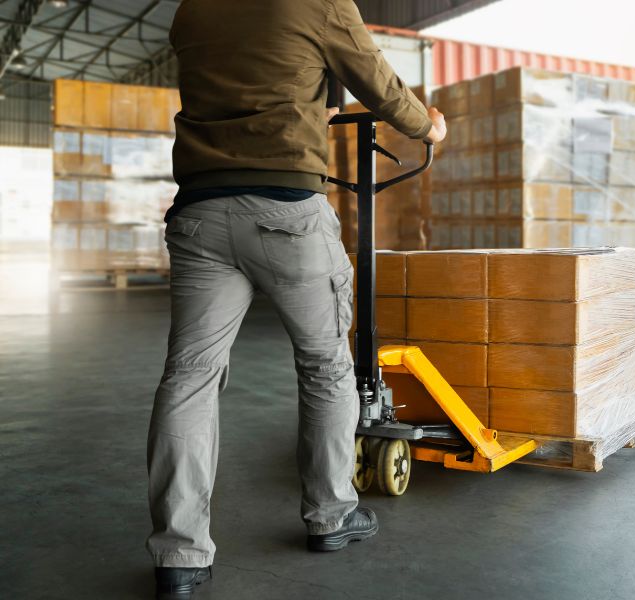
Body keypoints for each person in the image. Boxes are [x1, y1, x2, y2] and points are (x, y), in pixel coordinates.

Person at [147, 1, 447, 598]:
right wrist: (427, 126)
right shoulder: (318, 1)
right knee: (326, 365)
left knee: (189, 379)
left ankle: (179, 556)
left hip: (200, 211)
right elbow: (380, 83)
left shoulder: (191, 11)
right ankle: (332, 514)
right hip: (285, 209)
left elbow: (250, 74)